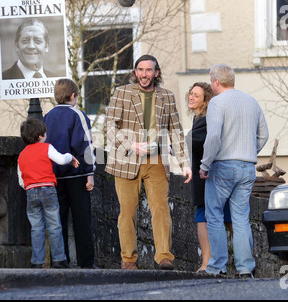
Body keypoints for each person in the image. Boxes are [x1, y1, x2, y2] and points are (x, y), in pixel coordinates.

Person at [104, 54, 192, 270]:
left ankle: (164, 257)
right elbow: (109, 126)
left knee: (161, 209)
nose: (144, 74)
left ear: (157, 73)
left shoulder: (167, 96)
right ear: (135, 72)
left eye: (149, 70)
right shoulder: (122, 93)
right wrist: (129, 145)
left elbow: (176, 131)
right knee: (127, 212)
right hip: (126, 160)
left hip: (156, 160)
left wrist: (184, 162)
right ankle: (129, 260)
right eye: (140, 70)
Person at [199, 64, 269, 277]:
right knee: (240, 217)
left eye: (211, 81)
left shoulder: (217, 103)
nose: (211, 85)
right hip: (247, 166)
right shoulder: (252, 101)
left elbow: (213, 137)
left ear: (216, 82)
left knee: (214, 215)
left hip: (222, 165)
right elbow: (264, 135)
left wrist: (204, 164)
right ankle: (245, 268)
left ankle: (217, 266)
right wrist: (249, 152)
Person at [44, 78, 96, 268]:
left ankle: (60, 260)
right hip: (76, 175)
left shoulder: (47, 117)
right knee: (82, 220)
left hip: (54, 176)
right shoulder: (78, 115)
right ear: (73, 96)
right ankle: (87, 263)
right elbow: (85, 146)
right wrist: (90, 173)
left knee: (59, 221)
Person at [17, 117, 79, 269]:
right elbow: (60, 159)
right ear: (40, 136)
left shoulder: (22, 155)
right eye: (45, 133)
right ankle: (58, 259)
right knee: (54, 226)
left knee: (36, 228)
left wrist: (30, 186)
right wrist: (70, 157)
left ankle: (37, 262)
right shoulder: (46, 147)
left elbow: (20, 179)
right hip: (48, 190)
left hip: (31, 192)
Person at [186, 82, 232, 273]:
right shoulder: (198, 119)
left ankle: (209, 263)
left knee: (220, 218)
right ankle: (208, 263)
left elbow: (191, 141)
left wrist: (164, 146)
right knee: (209, 217)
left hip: (210, 175)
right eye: (190, 94)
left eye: (196, 95)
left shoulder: (206, 120)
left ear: (205, 101)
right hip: (204, 176)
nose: (191, 97)